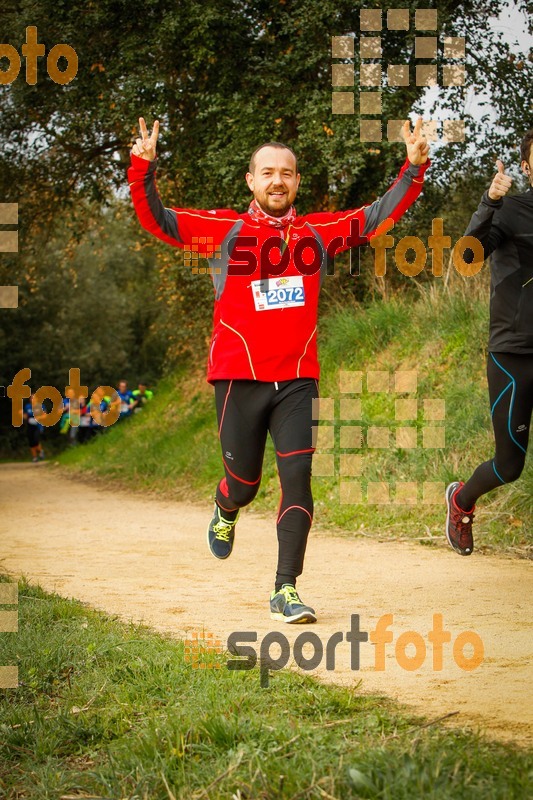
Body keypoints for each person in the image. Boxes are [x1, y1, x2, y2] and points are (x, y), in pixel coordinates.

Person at [128, 116, 430, 622]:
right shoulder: (225, 230)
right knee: (245, 483)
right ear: (251, 181)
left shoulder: (315, 234)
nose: (277, 181)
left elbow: (374, 217)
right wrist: (143, 168)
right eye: (267, 172)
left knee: (298, 478)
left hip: (296, 380)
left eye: (286, 173)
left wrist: (413, 168)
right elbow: (160, 221)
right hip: (237, 380)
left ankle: (285, 588)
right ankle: (227, 507)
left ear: (296, 182)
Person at [446, 130, 533, 556]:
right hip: (513, 355)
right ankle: (462, 501)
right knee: (510, 464)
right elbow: (467, 257)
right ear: (528, 166)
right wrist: (489, 202)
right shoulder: (511, 210)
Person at [23, 394, 46, 462]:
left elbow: (45, 416)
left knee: (36, 440)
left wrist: (39, 418)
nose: (32, 400)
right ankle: (35, 457)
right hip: (30, 426)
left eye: (34, 398)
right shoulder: (27, 406)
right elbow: (25, 416)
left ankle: (40, 451)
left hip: (38, 425)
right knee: (31, 441)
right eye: (31, 398)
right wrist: (23, 415)